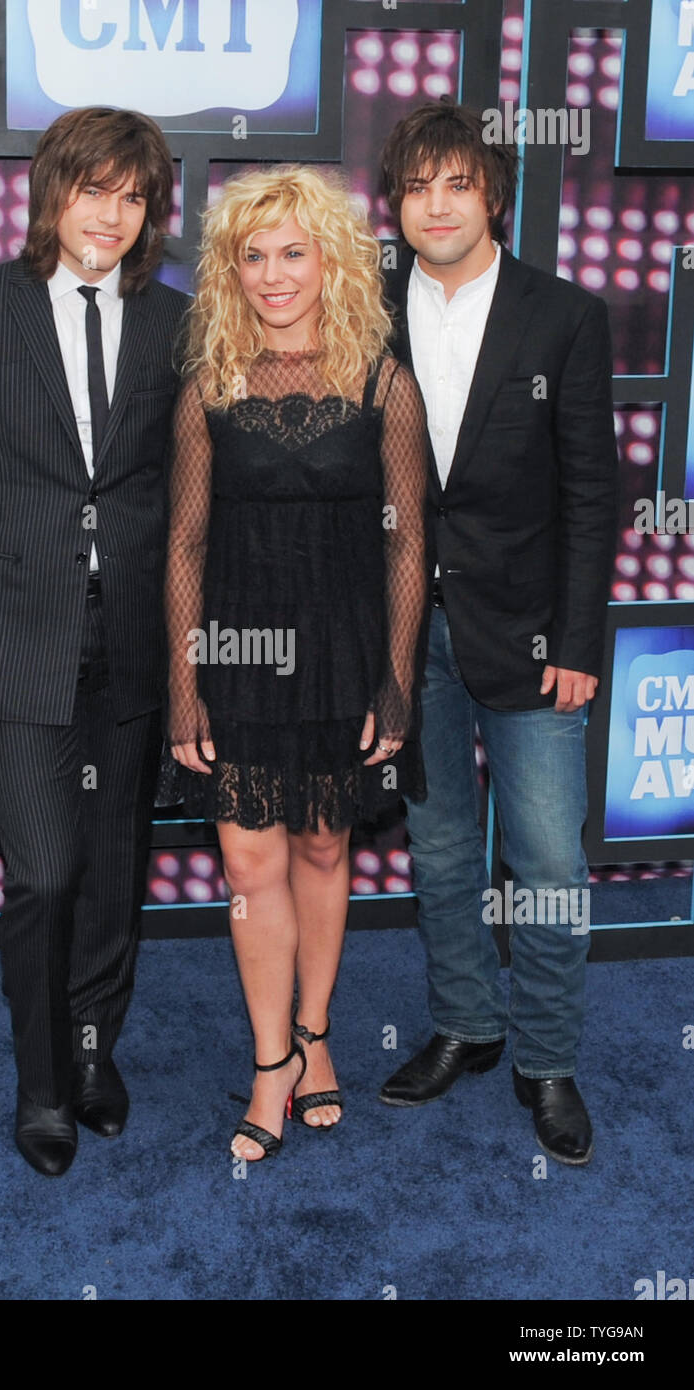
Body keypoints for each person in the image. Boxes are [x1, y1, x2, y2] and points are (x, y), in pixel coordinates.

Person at [0, 107, 189, 1176]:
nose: (110, 215)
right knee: (45, 874)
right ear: (50, 192)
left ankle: (91, 1049)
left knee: (115, 868)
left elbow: (182, 488)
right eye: (92, 190)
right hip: (13, 644)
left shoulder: (175, 323)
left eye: (132, 196)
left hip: (132, 647)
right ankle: (39, 1085)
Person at [158, 165, 428, 1162]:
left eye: (293, 252)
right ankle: (270, 1059)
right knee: (246, 858)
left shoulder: (378, 378)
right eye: (253, 255)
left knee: (321, 847)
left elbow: (406, 540)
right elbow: (183, 542)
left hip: (346, 648)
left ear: (331, 260)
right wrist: (185, 679)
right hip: (233, 645)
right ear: (232, 271)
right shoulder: (209, 382)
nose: (274, 275)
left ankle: (315, 1037)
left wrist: (394, 671)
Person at [377, 99, 617, 1165]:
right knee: (435, 850)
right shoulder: (364, 307)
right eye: (416, 186)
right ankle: (466, 1025)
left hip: (526, 634)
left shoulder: (560, 315)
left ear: (493, 197)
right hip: (401, 636)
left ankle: (547, 1058)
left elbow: (589, 493)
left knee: (546, 858)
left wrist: (574, 640)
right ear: (396, 204)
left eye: (455, 183)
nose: (435, 204)